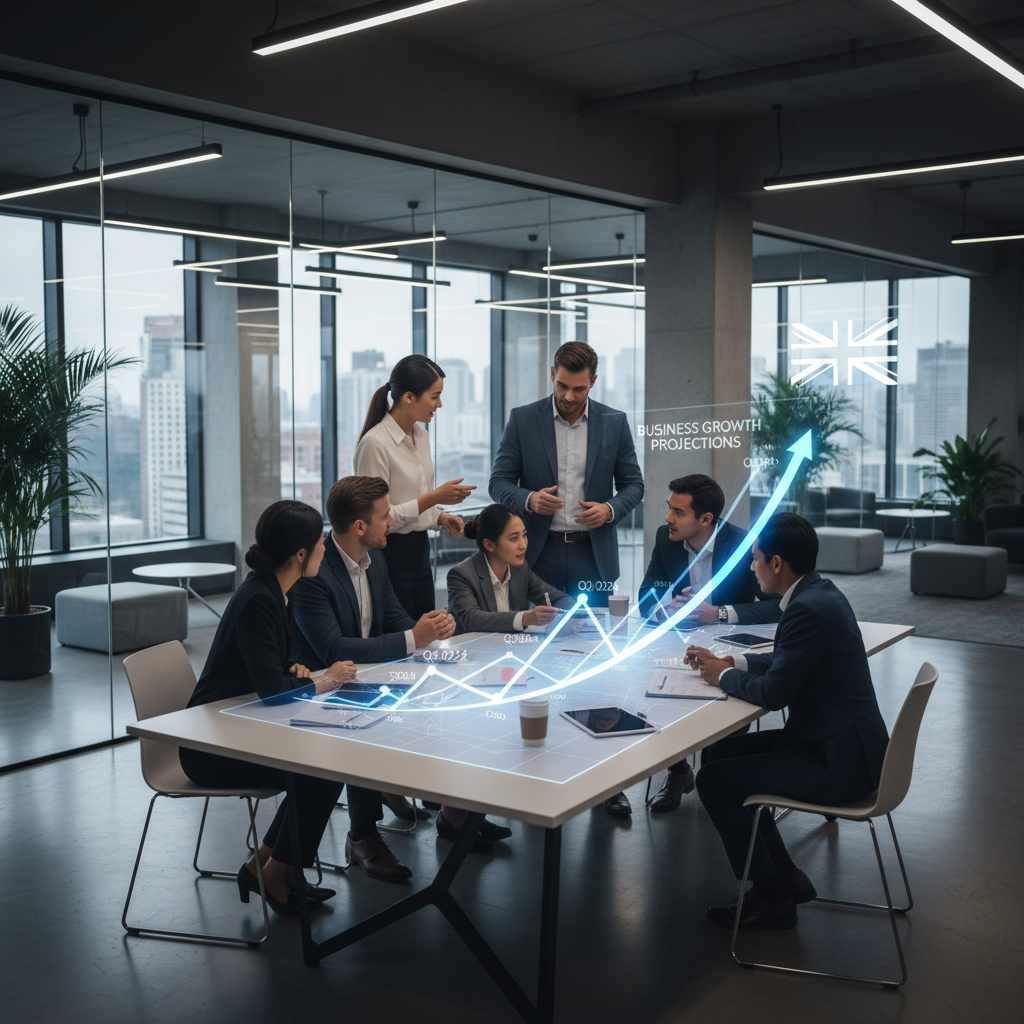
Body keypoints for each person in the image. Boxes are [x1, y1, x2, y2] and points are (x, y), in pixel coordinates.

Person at [686, 513, 890, 931]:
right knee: (720, 753)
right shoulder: (820, 593)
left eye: (755, 558)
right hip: (837, 744)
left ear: (776, 563)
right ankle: (785, 876)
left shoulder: (806, 609)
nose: (751, 567)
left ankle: (773, 897)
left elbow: (774, 694)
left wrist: (722, 677)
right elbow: (788, 661)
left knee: (713, 781)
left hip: (838, 764)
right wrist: (731, 661)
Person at [179, 500, 359, 916]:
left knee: (322, 767)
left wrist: (291, 668)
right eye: (320, 543)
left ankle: (267, 868)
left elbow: (266, 669)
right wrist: (325, 679)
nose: (325, 549)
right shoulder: (259, 599)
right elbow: (274, 693)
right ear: (300, 554)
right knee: (320, 770)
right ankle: (276, 874)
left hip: (236, 729)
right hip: (209, 749)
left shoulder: (274, 591)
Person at [291, 475, 459, 879]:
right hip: (317, 689)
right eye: (384, 516)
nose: (392, 522)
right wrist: (412, 638)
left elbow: (392, 615)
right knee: (361, 721)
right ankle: (363, 835)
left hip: (365, 676)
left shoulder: (374, 558)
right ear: (359, 526)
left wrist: (428, 629)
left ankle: (456, 808)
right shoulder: (314, 572)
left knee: (440, 694)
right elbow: (334, 649)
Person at [635, 474, 782, 815]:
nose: (668, 518)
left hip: (731, 647)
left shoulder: (744, 545)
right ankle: (679, 770)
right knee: (647, 689)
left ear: (706, 519)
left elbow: (777, 603)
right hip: (680, 644)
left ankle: (719, 775)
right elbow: (646, 595)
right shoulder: (666, 539)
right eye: (669, 509)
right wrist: (665, 609)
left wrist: (718, 613)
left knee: (729, 699)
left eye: (678, 512)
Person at [489, 341, 643, 610]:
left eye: (579, 389)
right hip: (537, 553)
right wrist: (529, 499)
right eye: (562, 386)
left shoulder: (614, 422)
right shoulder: (523, 420)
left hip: (594, 556)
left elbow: (634, 485)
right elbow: (498, 482)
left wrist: (609, 510)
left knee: (595, 633)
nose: (569, 396)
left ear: (593, 381)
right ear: (552, 374)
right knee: (535, 632)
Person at [354, 354, 476, 619]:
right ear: (408, 397)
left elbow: (413, 498)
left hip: (420, 551)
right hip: (388, 555)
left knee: (425, 631)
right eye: (434, 397)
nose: (439, 404)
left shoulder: (421, 435)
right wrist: (435, 497)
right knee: (400, 633)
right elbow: (376, 520)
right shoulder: (375, 443)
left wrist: (440, 516)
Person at [446, 503, 575, 635]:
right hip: (471, 646)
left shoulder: (519, 569)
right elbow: (471, 619)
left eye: (524, 535)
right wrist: (524, 618)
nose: (523, 545)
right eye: (514, 538)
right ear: (489, 545)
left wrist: (573, 614)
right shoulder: (461, 574)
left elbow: (559, 598)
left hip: (512, 645)